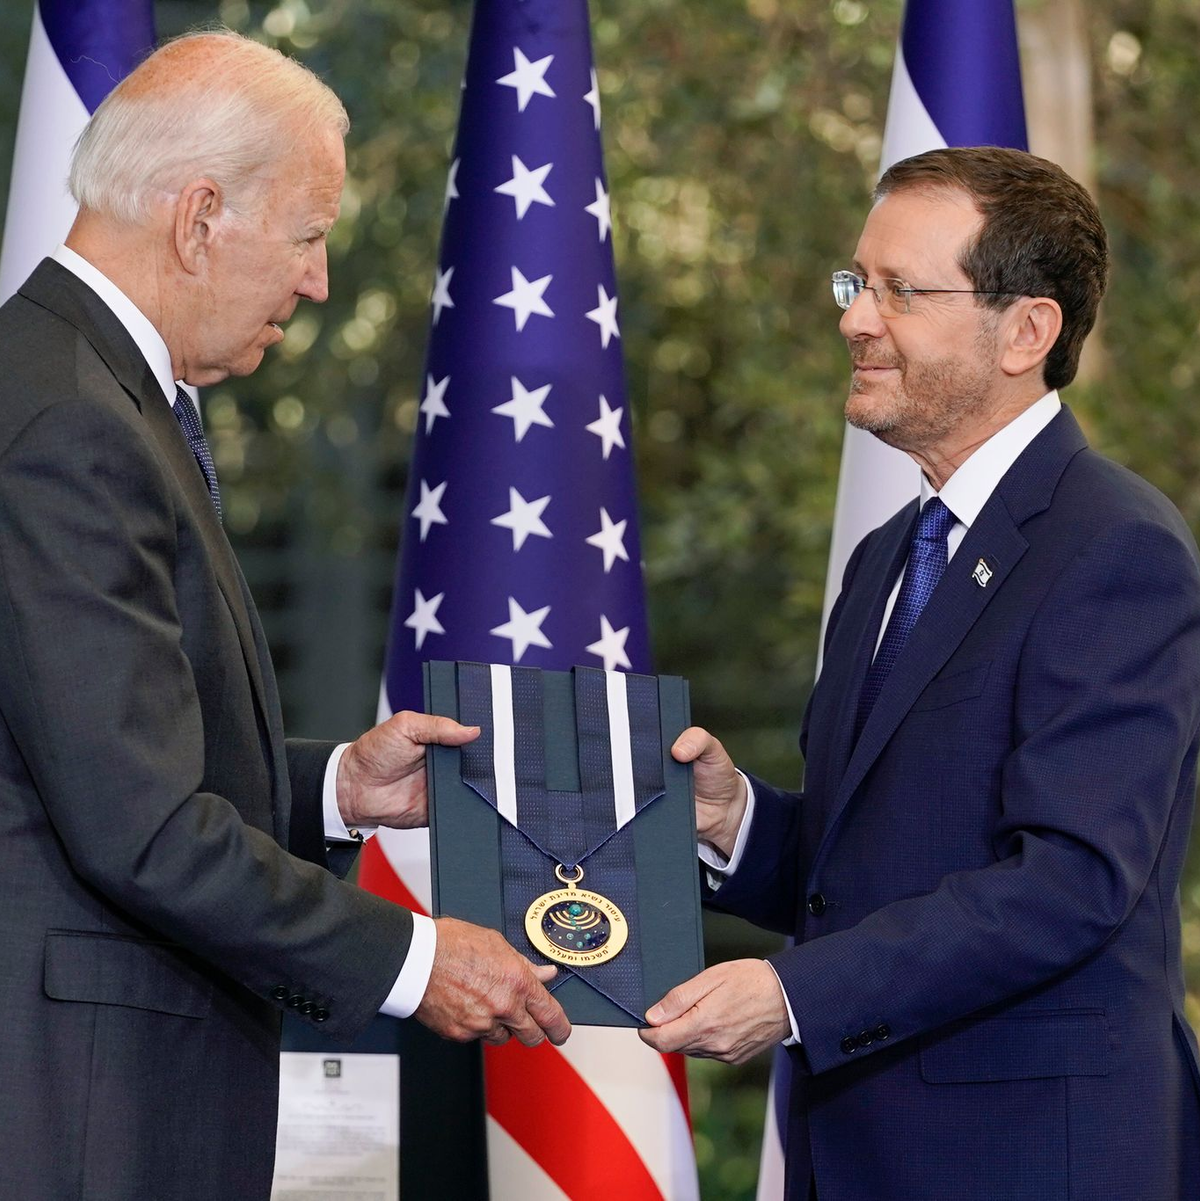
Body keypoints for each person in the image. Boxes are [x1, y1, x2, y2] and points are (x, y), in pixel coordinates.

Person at [0, 31, 569, 1201]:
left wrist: (334, 789)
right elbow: (140, 829)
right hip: (81, 1110)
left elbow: (98, 740)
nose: (317, 280)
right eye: (309, 235)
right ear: (200, 216)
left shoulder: (87, 387)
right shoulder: (71, 423)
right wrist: (416, 957)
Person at [641, 146, 1200, 1200]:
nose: (855, 319)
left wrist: (791, 993)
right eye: (858, 284)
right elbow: (879, 861)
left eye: (901, 290)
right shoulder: (889, 554)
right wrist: (737, 823)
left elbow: (1068, 882)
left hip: (1032, 1157)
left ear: (1026, 331)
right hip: (858, 1154)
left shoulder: (1116, 547)